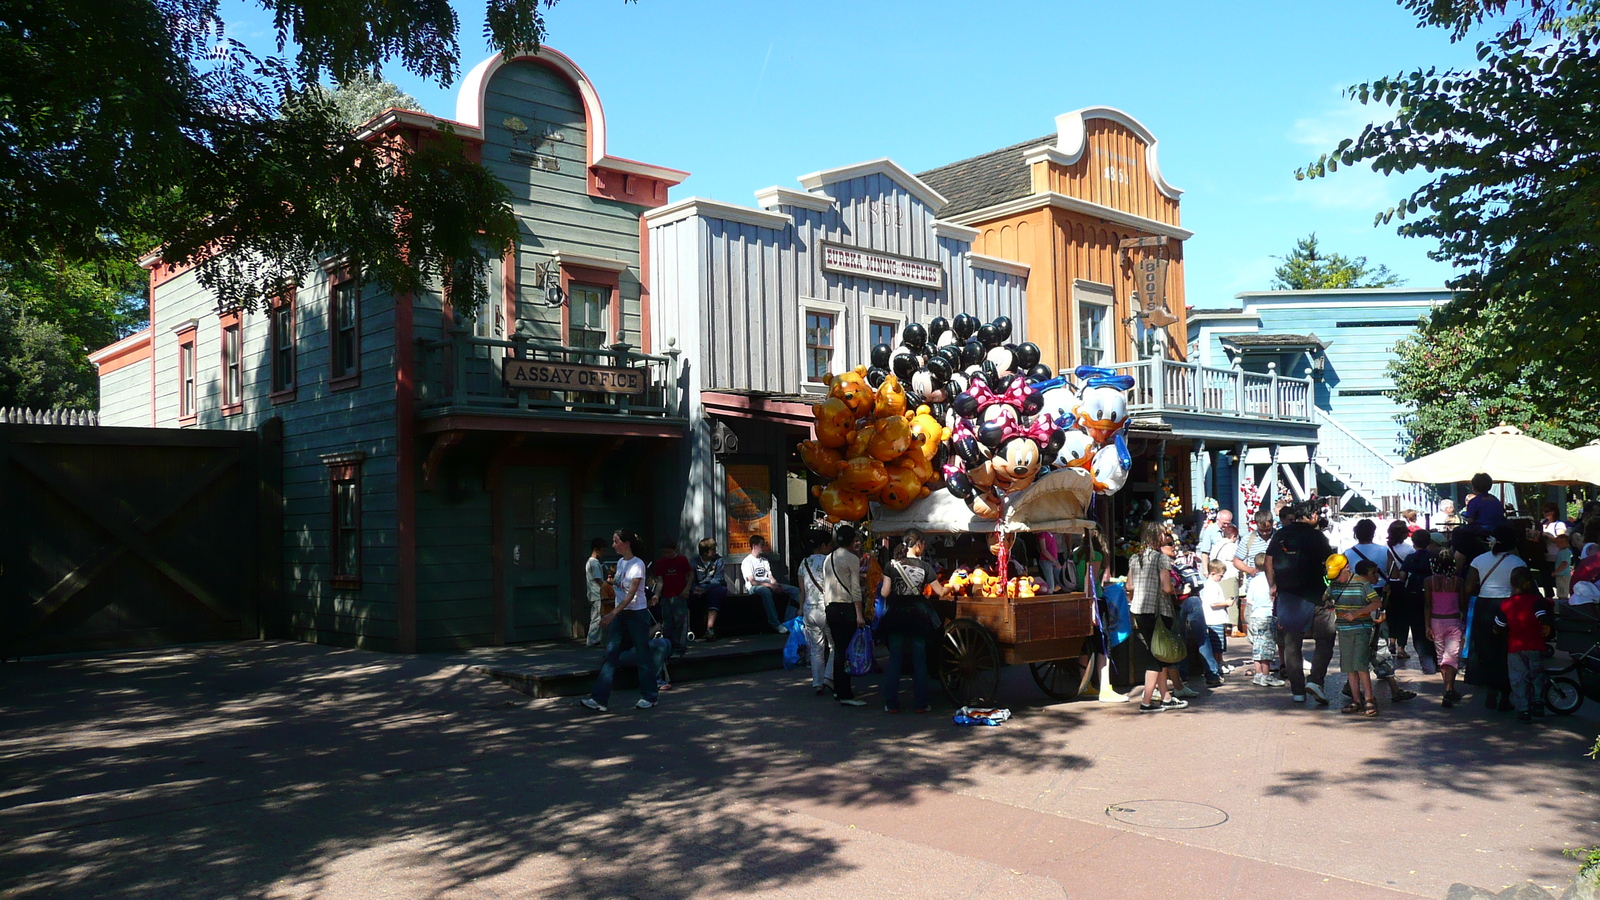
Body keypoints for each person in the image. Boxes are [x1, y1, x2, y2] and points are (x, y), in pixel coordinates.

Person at [1265, 500, 1335, 704]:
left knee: (1291, 644)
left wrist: (1273, 585)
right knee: (1325, 638)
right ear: (1313, 515)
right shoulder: (1317, 536)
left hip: (1288, 596)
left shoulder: (1281, 534)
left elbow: (1268, 562)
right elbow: (1330, 565)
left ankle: (1297, 691)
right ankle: (1315, 680)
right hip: (1316, 595)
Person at [581, 530, 658, 712]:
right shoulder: (621, 563)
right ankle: (599, 699)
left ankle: (650, 695)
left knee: (643, 656)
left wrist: (612, 613)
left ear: (627, 543)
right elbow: (620, 586)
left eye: (616, 542)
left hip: (636, 615)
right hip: (621, 615)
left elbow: (631, 595)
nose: (613, 545)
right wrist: (613, 583)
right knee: (611, 654)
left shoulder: (637, 565)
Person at [879, 528, 945, 713]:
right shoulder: (925, 567)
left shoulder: (890, 566)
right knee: (919, 660)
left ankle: (891, 704)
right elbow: (939, 592)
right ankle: (921, 704)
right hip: (917, 618)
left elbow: (884, 593)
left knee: (895, 660)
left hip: (896, 617)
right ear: (919, 545)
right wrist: (952, 587)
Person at [1465, 522, 1527, 710]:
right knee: (1505, 651)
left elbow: (1468, 588)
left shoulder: (1478, 561)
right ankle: (1505, 696)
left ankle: (1490, 690)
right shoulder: (1518, 563)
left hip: (1484, 606)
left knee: (1485, 648)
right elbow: (1522, 590)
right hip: (1508, 607)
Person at [1129, 522, 1184, 712]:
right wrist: (1178, 590)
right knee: (1157, 657)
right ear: (1156, 537)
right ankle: (1146, 702)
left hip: (1139, 609)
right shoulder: (1161, 559)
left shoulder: (1135, 558)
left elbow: (1129, 586)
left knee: (1156, 653)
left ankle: (1166, 697)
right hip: (1158, 611)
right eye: (1163, 534)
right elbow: (1167, 587)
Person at [1495, 567, 1552, 722]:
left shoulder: (1507, 604)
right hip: (1535, 644)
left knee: (1518, 678)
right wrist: (1545, 628)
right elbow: (1543, 618)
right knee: (1537, 674)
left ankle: (1523, 709)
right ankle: (1538, 702)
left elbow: (1499, 625)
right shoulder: (1537, 602)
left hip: (1515, 646)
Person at [820, 525, 867, 706]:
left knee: (839, 650)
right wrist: (859, 615)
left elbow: (826, 585)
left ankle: (839, 690)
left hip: (831, 606)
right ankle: (845, 693)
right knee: (846, 651)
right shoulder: (852, 559)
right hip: (846, 607)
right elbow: (855, 589)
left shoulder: (828, 558)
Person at [1332, 558, 1384, 717]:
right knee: (1349, 666)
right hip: (1344, 630)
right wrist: (1328, 602)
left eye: (1339, 574)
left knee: (1360, 664)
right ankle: (1356, 700)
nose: (1337, 578)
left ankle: (1369, 698)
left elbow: (1376, 603)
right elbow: (1326, 596)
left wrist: (1357, 613)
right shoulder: (1334, 584)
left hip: (1361, 628)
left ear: (1347, 568)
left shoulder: (1362, 583)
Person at [1425, 549, 1467, 707]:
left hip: (1436, 622)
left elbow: (1428, 605)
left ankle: (1448, 688)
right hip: (1454, 621)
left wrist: (1427, 625)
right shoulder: (1459, 581)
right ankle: (1449, 688)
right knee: (1452, 657)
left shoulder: (1429, 581)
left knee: (1441, 656)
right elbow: (1463, 604)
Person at [796, 529, 834, 695]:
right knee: (835, 645)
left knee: (816, 649)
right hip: (826, 608)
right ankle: (828, 676)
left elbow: (801, 591)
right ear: (824, 545)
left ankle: (817, 683)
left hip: (809, 610)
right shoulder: (829, 562)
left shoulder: (803, 564)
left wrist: (800, 607)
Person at [741, 535, 800, 634]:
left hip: (768, 584)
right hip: (754, 587)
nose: (764, 547)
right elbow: (752, 581)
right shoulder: (747, 562)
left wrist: (775, 584)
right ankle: (775, 624)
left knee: (795, 590)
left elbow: (770, 576)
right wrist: (770, 586)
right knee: (765, 591)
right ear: (754, 546)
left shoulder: (764, 560)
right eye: (762, 545)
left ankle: (788, 621)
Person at [1398, 529, 1439, 673]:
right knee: (1434, 627)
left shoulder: (1410, 558)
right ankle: (1438, 660)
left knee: (1418, 630)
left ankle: (1427, 663)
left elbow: (1402, 577)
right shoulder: (1433, 557)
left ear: (1414, 543)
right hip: (1433, 595)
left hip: (1413, 596)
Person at [648, 538, 694, 657]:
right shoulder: (661, 563)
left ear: (675, 550)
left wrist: (687, 588)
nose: (666, 555)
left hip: (679, 595)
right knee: (668, 623)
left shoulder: (681, 560)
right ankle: (668, 647)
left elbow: (690, 574)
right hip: (666, 596)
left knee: (680, 621)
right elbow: (660, 581)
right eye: (664, 552)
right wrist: (657, 595)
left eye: (669, 552)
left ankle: (679, 648)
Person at [1244, 554, 1284, 686]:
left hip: (1256, 614)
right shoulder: (1271, 580)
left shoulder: (1254, 580)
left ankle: (1258, 674)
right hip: (1268, 614)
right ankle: (1266, 675)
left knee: (1257, 644)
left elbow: (1249, 600)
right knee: (1267, 646)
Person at [1380, 520, 1417, 658]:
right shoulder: (1409, 550)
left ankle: (1391, 642)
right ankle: (1401, 648)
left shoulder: (1385, 548)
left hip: (1389, 585)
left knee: (1391, 615)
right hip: (1405, 585)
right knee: (1403, 617)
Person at [1199, 561, 1231, 687]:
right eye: (1220, 575)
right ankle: (1216, 666)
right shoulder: (1211, 586)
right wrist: (1226, 603)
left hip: (1217, 619)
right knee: (1216, 645)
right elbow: (1213, 603)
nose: (1221, 578)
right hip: (1214, 619)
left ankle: (1219, 663)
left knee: (1220, 645)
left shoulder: (1214, 585)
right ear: (1213, 573)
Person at [693, 539, 730, 641]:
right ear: (705, 552)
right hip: (699, 588)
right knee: (689, 596)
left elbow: (718, 579)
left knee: (716, 593)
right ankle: (689, 630)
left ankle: (710, 628)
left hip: (715, 587)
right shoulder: (694, 561)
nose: (715, 552)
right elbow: (691, 579)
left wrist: (704, 588)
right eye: (713, 550)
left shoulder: (718, 560)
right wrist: (695, 588)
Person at [1214, 523, 1243, 637]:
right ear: (1233, 536)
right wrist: (1241, 577)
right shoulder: (1232, 546)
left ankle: (1225, 627)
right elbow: (1238, 562)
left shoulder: (1217, 545)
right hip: (1230, 575)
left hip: (1219, 576)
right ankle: (1234, 628)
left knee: (1222, 602)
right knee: (1232, 601)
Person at [1538, 502, 1568, 599]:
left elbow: (1561, 539)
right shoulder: (1542, 523)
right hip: (1544, 556)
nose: (1544, 513)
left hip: (1556, 557)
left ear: (1554, 512)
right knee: (1546, 582)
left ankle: (1561, 603)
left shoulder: (1559, 525)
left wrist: (1547, 536)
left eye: (1547, 511)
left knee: (1559, 583)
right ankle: (1548, 601)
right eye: (1543, 511)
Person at [584, 537, 608, 648]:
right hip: (597, 593)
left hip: (593, 594)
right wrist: (608, 588)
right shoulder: (594, 563)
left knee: (598, 616)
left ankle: (597, 639)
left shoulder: (591, 562)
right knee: (597, 617)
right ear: (596, 549)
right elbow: (598, 580)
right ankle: (592, 640)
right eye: (602, 550)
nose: (604, 553)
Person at [1554, 531, 1575, 601]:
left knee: (1563, 592)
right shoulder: (1561, 551)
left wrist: (1555, 572)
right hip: (1561, 575)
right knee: (1560, 592)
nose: (1558, 544)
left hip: (1563, 575)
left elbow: (1564, 564)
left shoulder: (1565, 552)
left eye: (1561, 542)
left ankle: (1563, 605)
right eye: (1557, 542)